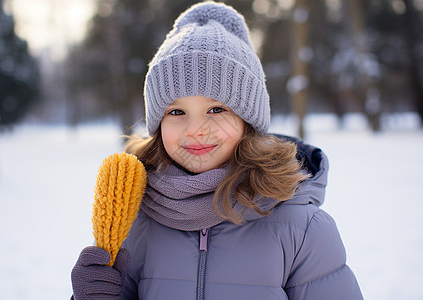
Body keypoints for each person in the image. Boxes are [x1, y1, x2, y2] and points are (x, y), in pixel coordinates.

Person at [71, 2, 363, 299]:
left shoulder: (300, 228)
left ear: (248, 120)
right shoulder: (135, 220)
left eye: (216, 108)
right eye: (176, 112)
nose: (196, 129)